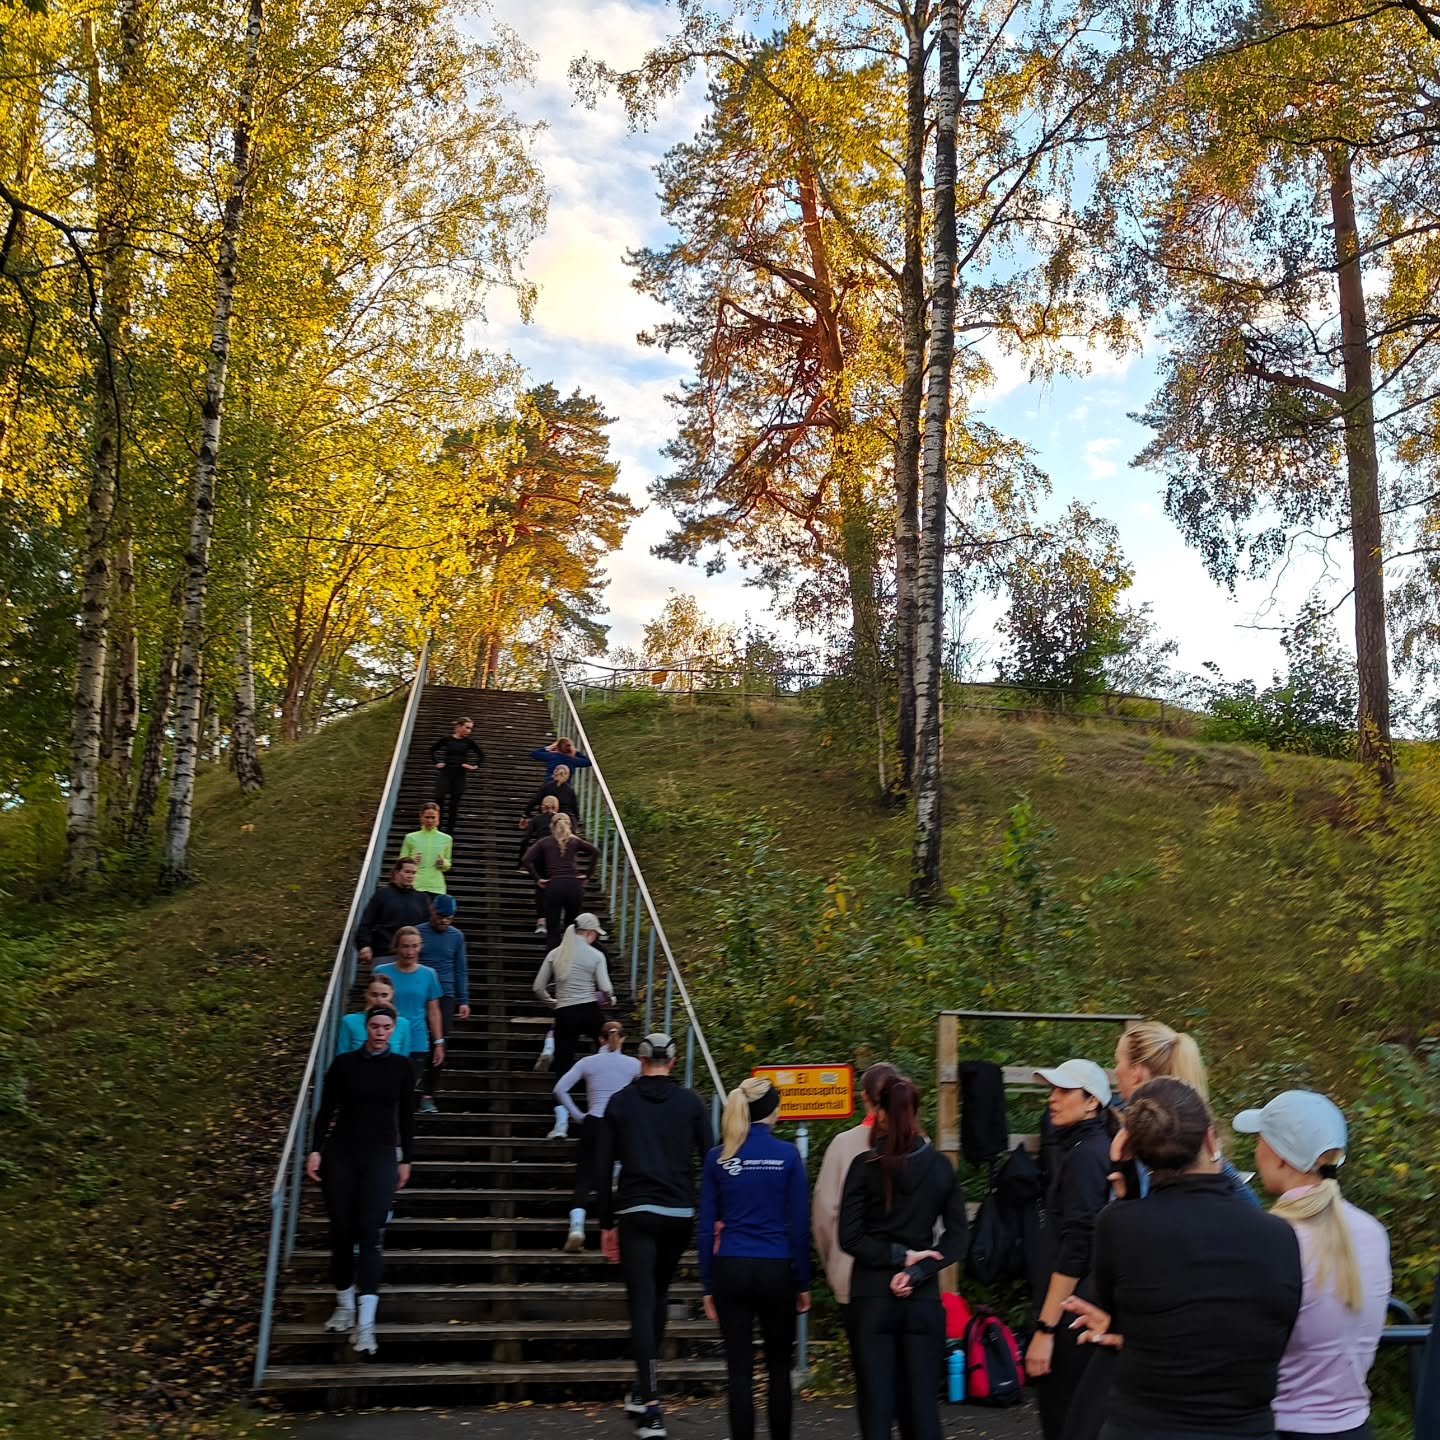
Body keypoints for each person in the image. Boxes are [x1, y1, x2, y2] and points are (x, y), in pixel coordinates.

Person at [1063, 1078, 1303, 1440]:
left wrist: (1125, 1182)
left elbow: (1120, 1312)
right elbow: (1274, 1334)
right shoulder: (1279, 1235)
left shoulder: (1120, 1225)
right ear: (1210, 1139)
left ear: (1132, 1150)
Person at [1234, 1090, 1391, 1440]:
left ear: (1280, 1157)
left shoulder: (1274, 1236)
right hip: (1355, 1428)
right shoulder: (1373, 1232)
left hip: (1283, 1428)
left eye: (1261, 1140)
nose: (1257, 1151)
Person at [596, 1032, 715, 1440]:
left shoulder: (620, 1103)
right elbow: (711, 1156)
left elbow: (600, 1167)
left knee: (642, 1302)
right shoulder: (692, 1103)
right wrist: (709, 1212)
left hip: (636, 1211)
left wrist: (605, 1223)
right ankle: (641, 1388)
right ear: (674, 1059)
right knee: (659, 1294)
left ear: (640, 1060)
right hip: (678, 1213)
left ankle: (651, 1407)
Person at [839, 1072, 967, 1440]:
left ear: (880, 1113)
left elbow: (849, 1237)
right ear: (915, 1112)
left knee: (876, 1408)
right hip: (922, 1299)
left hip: (871, 1296)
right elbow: (958, 1236)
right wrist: (919, 1268)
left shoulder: (865, 1167)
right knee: (923, 1407)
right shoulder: (940, 1167)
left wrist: (897, 1256)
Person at [699, 1076, 811, 1440]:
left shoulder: (719, 1157)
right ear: (773, 1111)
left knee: (738, 1373)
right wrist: (803, 1280)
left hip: (731, 1269)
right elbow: (798, 1226)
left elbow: (705, 1227)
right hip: (777, 1269)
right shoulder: (789, 1156)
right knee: (779, 1369)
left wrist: (707, 1283)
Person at [305, 1003, 414, 1355]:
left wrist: (406, 1158)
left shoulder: (401, 1067)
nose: (380, 1033)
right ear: (366, 1028)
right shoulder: (344, 1064)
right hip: (342, 1153)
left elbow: (407, 1117)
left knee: (370, 1233)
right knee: (340, 1230)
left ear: (393, 1030)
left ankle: (366, 1324)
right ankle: (344, 1305)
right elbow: (326, 1109)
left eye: (386, 1027)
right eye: (374, 1026)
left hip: (380, 1154)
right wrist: (315, 1149)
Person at [1027, 1058, 1116, 1440]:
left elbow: (1078, 1245)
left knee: (1066, 1423)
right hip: (1082, 1309)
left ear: (1092, 1101)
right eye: (1051, 1090)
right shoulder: (1089, 1147)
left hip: (1071, 1315)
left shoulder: (1085, 1155)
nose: (1053, 1099)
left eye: (1064, 1091)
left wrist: (1045, 1329)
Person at [812, 1062, 902, 1436]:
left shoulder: (844, 1146)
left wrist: (836, 1269)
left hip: (856, 1279)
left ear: (864, 1098)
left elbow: (824, 1213)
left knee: (869, 1378)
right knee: (907, 1375)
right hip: (907, 1279)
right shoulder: (922, 1145)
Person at [1110, 1021, 1259, 1204]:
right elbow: (1249, 1205)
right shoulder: (1196, 1137)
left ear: (1136, 1072)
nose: (1116, 1070)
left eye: (1118, 1061)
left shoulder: (1149, 1139)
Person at [553, 1019, 640, 1251]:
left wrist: (578, 1115)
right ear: (622, 1038)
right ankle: (617, 1230)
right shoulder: (634, 1065)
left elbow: (559, 1089)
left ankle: (577, 1227)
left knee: (584, 1176)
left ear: (600, 1039)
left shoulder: (588, 1062)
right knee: (621, 1176)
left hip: (593, 1121)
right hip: (620, 1123)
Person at [532, 914, 614, 1134]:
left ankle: (561, 1122)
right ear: (588, 933)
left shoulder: (555, 954)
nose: (596, 938)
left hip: (565, 1013)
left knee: (562, 1065)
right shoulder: (595, 955)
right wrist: (610, 1000)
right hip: (589, 1010)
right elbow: (606, 988)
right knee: (606, 1050)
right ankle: (603, 1104)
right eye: (595, 934)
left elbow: (538, 988)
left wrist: (553, 1003)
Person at [374, 927, 444, 1115]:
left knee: (405, 1088)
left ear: (421, 947)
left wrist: (438, 1042)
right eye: (405, 946)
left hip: (417, 1040)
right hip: (387, 1039)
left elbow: (433, 1010)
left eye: (414, 946)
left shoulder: (429, 974)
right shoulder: (382, 972)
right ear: (396, 947)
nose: (410, 952)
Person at [523, 813, 599, 950]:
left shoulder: (544, 842)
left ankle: (552, 963)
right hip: (573, 886)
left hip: (555, 886)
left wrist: (538, 879)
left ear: (552, 826)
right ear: (569, 825)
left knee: (553, 931)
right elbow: (595, 852)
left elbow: (526, 859)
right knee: (572, 929)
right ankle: (571, 961)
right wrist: (587, 875)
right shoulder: (575, 841)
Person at [417, 896, 469, 1086]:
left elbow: (461, 969)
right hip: (421, 992)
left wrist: (464, 999)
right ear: (432, 911)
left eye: (449, 917)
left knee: (440, 1040)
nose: (444, 921)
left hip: (445, 993)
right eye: (441, 916)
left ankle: (429, 1090)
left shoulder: (457, 936)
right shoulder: (418, 932)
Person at [354, 856, 431, 965]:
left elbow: (427, 927)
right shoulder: (382, 895)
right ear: (396, 873)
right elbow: (366, 922)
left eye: (413, 873)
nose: (410, 876)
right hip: (384, 954)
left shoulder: (421, 899)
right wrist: (364, 945)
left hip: (413, 957)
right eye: (407, 872)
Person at [337, 973, 414, 1057]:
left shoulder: (403, 1023)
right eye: (374, 995)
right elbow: (342, 1055)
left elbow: (404, 1059)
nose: (379, 1000)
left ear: (392, 995)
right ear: (366, 994)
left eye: (384, 995)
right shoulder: (349, 1021)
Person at [430, 715, 483, 834]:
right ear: (459, 727)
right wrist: (437, 763)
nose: (469, 731)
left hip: (460, 774)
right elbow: (432, 750)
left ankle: (449, 832)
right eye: (467, 728)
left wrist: (474, 766)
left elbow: (481, 755)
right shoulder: (447, 740)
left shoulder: (469, 742)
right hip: (446, 772)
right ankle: (436, 827)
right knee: (439, 799)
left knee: (454, 803)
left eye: (470, 729)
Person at [518, 794, 561, 931]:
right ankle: (554, 918)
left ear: (542, 806)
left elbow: (525, 840)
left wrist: (522, 860)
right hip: (557, 856)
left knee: (540, 886)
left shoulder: (537, 819)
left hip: (540, 855)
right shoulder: (560, 820)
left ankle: (541, 920)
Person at [400, 802, 452, 895]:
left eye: (433, 817)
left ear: (438, 818)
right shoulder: (410, 837)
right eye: (427, 817)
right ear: (421, 818)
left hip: (437, 887)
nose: (430, 820)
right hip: (415, 885)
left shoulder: (447, 839)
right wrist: (411, 861)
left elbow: (448, 863)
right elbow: (400, 862)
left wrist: (443, 863)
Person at [521, 763, 580, 827]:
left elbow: (534, 801)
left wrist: (525, 815)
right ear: (566, 775)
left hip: (547, 818)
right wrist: (577, 819)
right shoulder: (570, 790)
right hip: (564, 819)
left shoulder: (546, 787)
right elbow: (574, 807)